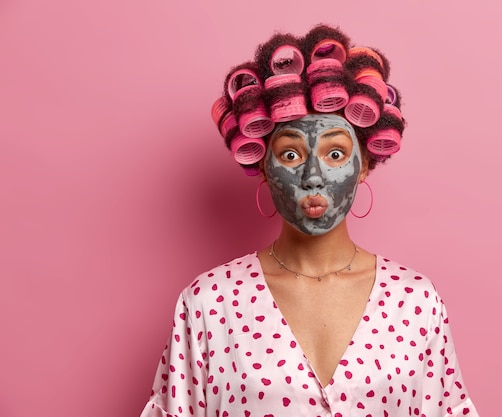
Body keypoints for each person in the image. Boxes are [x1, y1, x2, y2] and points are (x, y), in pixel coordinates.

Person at [140, 24, 480, 417]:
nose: (313, 177)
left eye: (336, 154)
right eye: (290, 155)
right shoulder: (207, 303)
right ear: (262, 165)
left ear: (364, 164)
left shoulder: (416, 303)